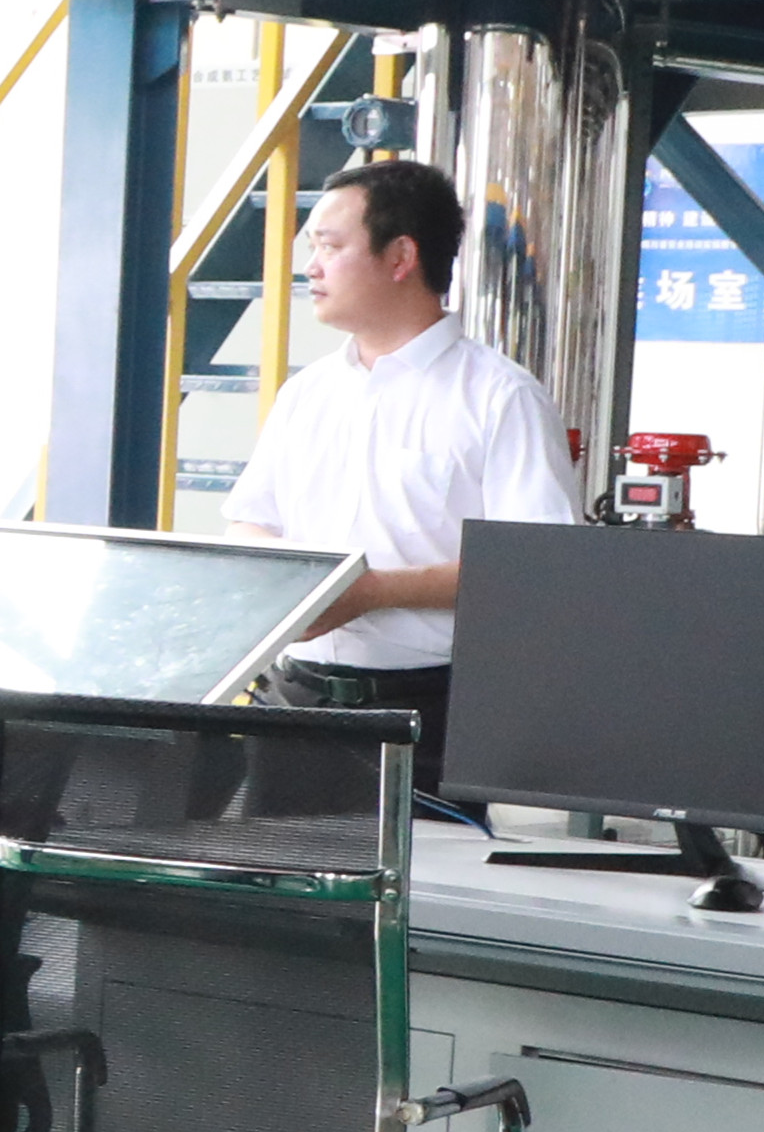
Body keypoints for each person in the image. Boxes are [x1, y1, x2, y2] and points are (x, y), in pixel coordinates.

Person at [220, 156, 579, 790]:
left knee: (428, 862)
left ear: (400, 257)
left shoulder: (500, 397)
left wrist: (372, 592)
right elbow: (251, 521)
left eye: (330, 247)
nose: (311, 267)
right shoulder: (307, 393)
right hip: (293, 703)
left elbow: (539, 567)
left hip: (426, 716)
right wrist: (291, 591)